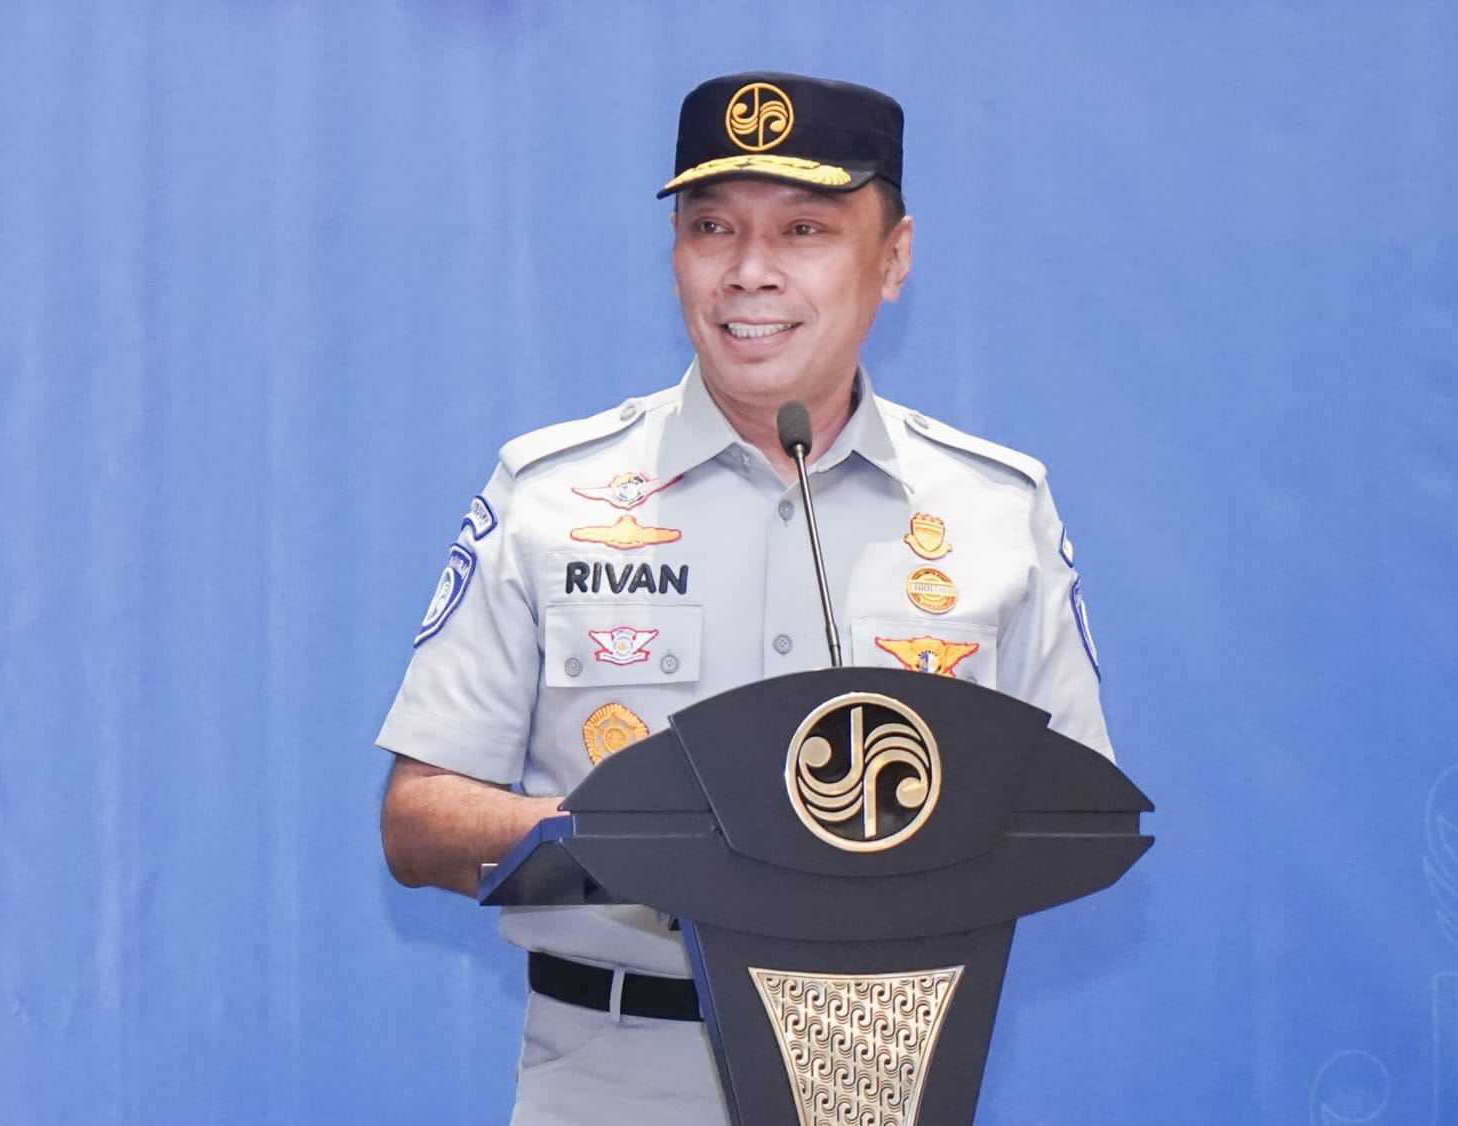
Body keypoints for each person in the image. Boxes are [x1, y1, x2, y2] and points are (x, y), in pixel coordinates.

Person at [376, 71, 1112, 1126]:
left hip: (885, 1067)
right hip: (615, 1075)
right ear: (675, 255)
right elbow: (417, 820)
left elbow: (1076, 817)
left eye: (804, 230)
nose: (749, 272)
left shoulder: (996, 507)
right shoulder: (550, 494)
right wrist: (621, 841)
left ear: (893, 258)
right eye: (711, 227)